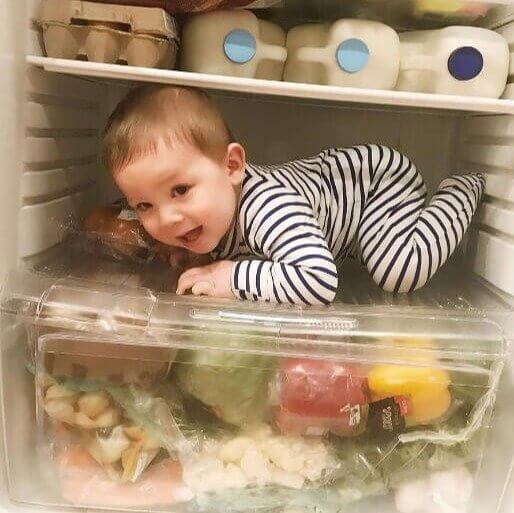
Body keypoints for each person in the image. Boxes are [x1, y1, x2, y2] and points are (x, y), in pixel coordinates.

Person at [101, 84, 484, 305]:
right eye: (145, 205)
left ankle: (459, 190)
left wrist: (230, 276)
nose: (165, 219)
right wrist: (190, 249)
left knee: (398, 272)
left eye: (180, 190)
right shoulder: (211, 212)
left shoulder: (267, 207)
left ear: (232, 167)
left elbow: (319, 280)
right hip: (334, 203)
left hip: (374, 186)